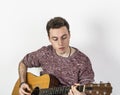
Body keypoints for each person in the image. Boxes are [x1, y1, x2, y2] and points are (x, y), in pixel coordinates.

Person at [18, 17, 94, 95]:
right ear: (49, 39)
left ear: (69, 35)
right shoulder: (44, 53)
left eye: (64, 37)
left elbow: (89, 91)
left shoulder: (82, 61)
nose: (60, 43)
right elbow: (23, 63)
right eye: (55, 39)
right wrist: (22, 83)